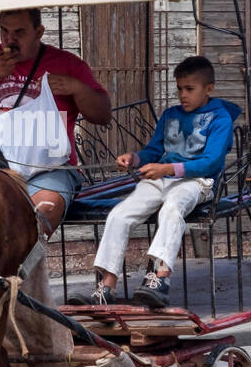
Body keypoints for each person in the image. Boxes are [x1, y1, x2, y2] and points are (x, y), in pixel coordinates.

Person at [67, 55, 240, 309]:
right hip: (161, 179)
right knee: (119, 214)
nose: (183, 94)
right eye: (180, 88)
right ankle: (106, 286)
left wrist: (169, 168)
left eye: (190, 89)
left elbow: (211, 162)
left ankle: (159, 279)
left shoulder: (220, 118)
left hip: (196, 182)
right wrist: (135, 158)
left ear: (209, 89)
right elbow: (153, 150)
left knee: (172, 209)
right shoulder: (171, 115)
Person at [0, 7, 111, 232]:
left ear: (39, 32)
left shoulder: (68, 64)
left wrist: (77, 88)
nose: (9, 40)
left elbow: (103, 114)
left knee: (44, 209)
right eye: (4, 32)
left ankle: (19, 264)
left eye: (19, 33)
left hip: (49, 167)